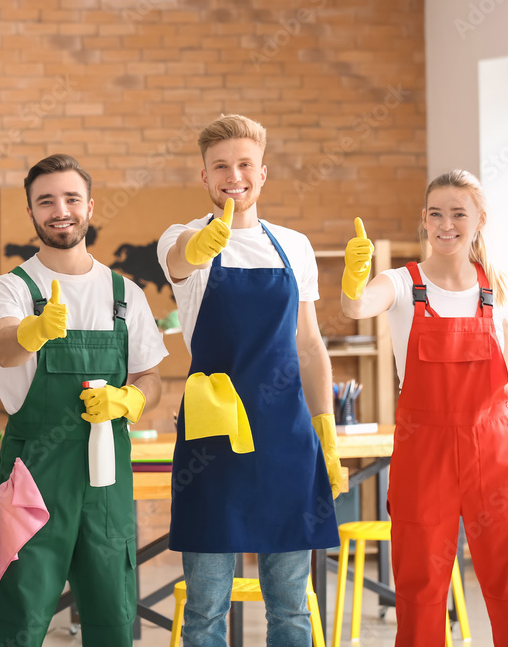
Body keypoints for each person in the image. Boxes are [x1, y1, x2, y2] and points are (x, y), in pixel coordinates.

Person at [340, 169, 508, 645]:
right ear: (424, 221)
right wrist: (352, 279)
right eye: (436, 214)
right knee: (421, 591)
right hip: (424, 459)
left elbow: (505, 381)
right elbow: (357, 307)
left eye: (458, 214)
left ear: (480, 219)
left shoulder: (495, 289)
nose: (446, 224)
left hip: (496, 456)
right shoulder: (402, 283)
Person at [157, 114, 342, 646]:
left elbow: (309, 346)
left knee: (290, 608)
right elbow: (177, 259)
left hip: (287, 437)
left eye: (244, 164)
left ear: (263, 173)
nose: (233, 175)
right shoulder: (184, 236)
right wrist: (196, 250)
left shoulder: (294, 245)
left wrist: (324, 432)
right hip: (213, 443)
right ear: (204, 176)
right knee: (206, 608)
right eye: (221, 166)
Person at [0, 154, 167, 647]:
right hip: (33, 481)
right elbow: (2, 345)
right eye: (46, 201)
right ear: (32, 213)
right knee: (17, 617)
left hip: (106, 479)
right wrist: (34, 330)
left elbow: (151, 375)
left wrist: (130, 399)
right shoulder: (13, 288)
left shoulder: (124, 293)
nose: (59, 210)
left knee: (112, 617)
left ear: (89, 206)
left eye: (69, 198)